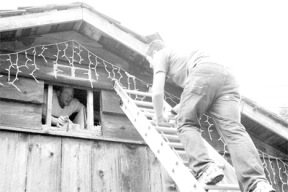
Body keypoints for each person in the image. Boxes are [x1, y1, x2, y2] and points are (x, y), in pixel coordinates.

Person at [146, 40, 275, 192]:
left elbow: (157, 91)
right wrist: (173, 112)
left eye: (149, 61)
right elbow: (196, 94)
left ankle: (205, 168)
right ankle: (257, 184)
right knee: (234, 132)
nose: (150, 66)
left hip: (204, 73)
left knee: (186, 123)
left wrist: (159, 115)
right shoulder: (183, 56)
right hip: (228, 78)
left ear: (153, 54)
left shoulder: (161, 53)